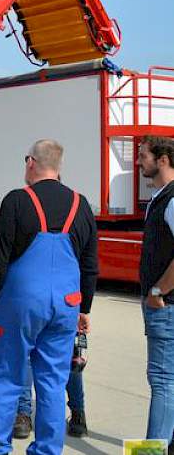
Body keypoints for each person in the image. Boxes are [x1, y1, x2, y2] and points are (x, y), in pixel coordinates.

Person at [0, 139, 98, 455]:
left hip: (18, 304)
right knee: (52, 381)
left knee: (3, 373)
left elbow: (0, 257)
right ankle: (48, 450)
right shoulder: (81, 204)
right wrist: (84, 308)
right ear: (59, 166)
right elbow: (90, 263)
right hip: (66, 305)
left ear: (32, 162)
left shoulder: (17, 201)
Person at [136, 136, 174, 448]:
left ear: (162, 160)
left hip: (167, 306)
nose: (138, 162)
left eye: (143, 155)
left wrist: (159, 291)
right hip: (165, 304)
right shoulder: (162, 198)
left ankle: (151, 451)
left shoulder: (172, 198)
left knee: (162, 381)